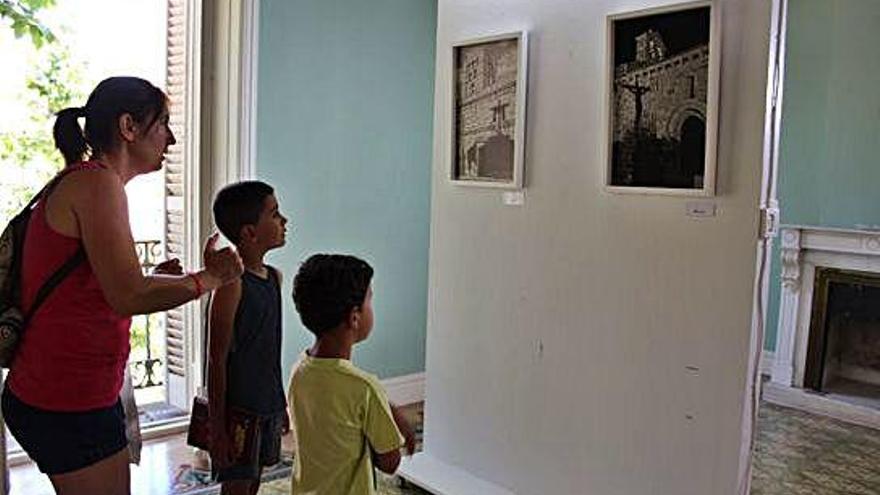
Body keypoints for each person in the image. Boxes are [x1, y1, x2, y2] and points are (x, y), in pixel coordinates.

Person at [1, 76, 243, 495]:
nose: (170, 138)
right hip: (65, 399)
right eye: (163, 123)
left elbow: (100, 289)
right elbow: (128, 294)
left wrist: (162, 281)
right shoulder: (97, 184)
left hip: (73, 393)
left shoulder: (87, 181)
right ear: (128, 127)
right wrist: (212, 277)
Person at [288, 254, 416, 495]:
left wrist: (386, 411)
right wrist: (388, 425)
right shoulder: (365, 387)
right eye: (370, 299)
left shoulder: (300, 370)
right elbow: (390, 463)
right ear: (354, 317)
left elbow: (335, 409)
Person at [208, 181, 290, 495]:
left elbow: (271, 349)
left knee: (254, 479)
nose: (284, 221)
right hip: (238, 411)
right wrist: (217, 426)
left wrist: (279, 402)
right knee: (237, 484)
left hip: (266, 402)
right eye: (274, 214)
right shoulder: (232, 285)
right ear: (249, 232)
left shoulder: (274, 278)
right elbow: (216, 359)